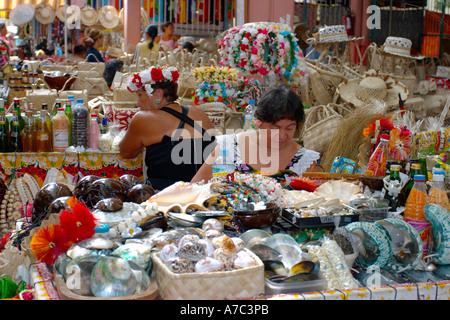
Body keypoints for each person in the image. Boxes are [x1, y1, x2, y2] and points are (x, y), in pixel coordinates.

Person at [191, 86, 321, 184]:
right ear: (259, 122)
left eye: (289, 128)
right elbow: (196, 187)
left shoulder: (305, 161)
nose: (281, 135)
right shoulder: (230, 147)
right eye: (275, 127)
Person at [119, 66, 217, 191]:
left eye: (140, 95)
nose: (138, 104)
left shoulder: (143, 119)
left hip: (163, 196)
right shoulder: (198, 112)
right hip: (202, 193)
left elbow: (126, 153)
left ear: (158, 94)